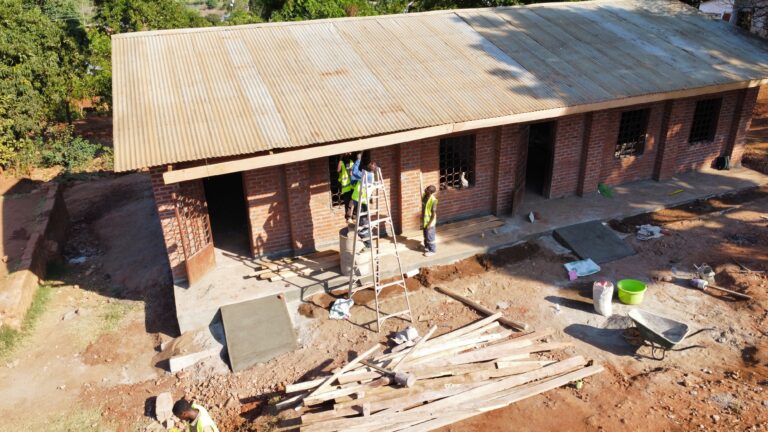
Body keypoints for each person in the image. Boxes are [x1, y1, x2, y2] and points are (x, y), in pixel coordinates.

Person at [351, 155, 377, 248]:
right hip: (361, 201)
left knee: (363, 226)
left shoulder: (366, 175)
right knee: (363, 222)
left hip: (361, 201)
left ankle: (368, 245)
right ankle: (367, 243)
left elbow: (354, 172)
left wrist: (358, 159)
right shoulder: (370, 175)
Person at [336, 153, 355, 223]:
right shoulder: (342, 163)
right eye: (347, 153)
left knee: (354, 201)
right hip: (346, 187)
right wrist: (340, 158)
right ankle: (348, 217)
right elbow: (338, 170)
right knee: (347, 203)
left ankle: (353, 216)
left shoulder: (351, 162)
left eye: (349, 153)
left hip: (352, 186)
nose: (349, 154)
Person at [422, 185, 438, 257]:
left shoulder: (433, 200)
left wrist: (429, 224)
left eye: (427, 189)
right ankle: (427, 247)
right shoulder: (424, 196)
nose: (425, 189)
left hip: (430, 221)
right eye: (426, 188)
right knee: (425, 235)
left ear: (430, 192)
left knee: (430, 236)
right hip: (425, 220)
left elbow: (433, 214)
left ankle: (432, 250)